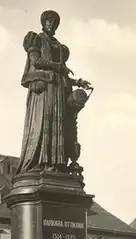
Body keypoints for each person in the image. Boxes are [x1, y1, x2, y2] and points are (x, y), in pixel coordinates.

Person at [16, 10, 92, 174]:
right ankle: (42, 162)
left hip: (58, 90)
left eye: (54, 21)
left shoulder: (58, 45)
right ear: (43, 23)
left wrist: (77, 82)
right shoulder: (36, 39)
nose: (50, 23)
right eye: (48, 21)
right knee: (45, 123)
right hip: (45, 91)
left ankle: (56, 163)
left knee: (59, 127)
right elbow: (36, 61)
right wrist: (58, 67)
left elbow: (62, 74)